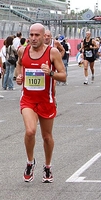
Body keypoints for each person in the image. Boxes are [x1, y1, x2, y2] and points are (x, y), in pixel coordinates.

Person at [15, 23, 66, 183]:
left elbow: (63, 75)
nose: (33, 38)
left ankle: (48, 165)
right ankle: (30, 162)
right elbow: (19, 65)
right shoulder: (23, 50)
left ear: (44, 36)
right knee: (30, 131)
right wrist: (18, 77)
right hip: (28, 100)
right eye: (31, 35)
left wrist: (50, 72)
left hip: (46, 100)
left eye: (37, 35)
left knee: (47, 137)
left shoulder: (53, 52)